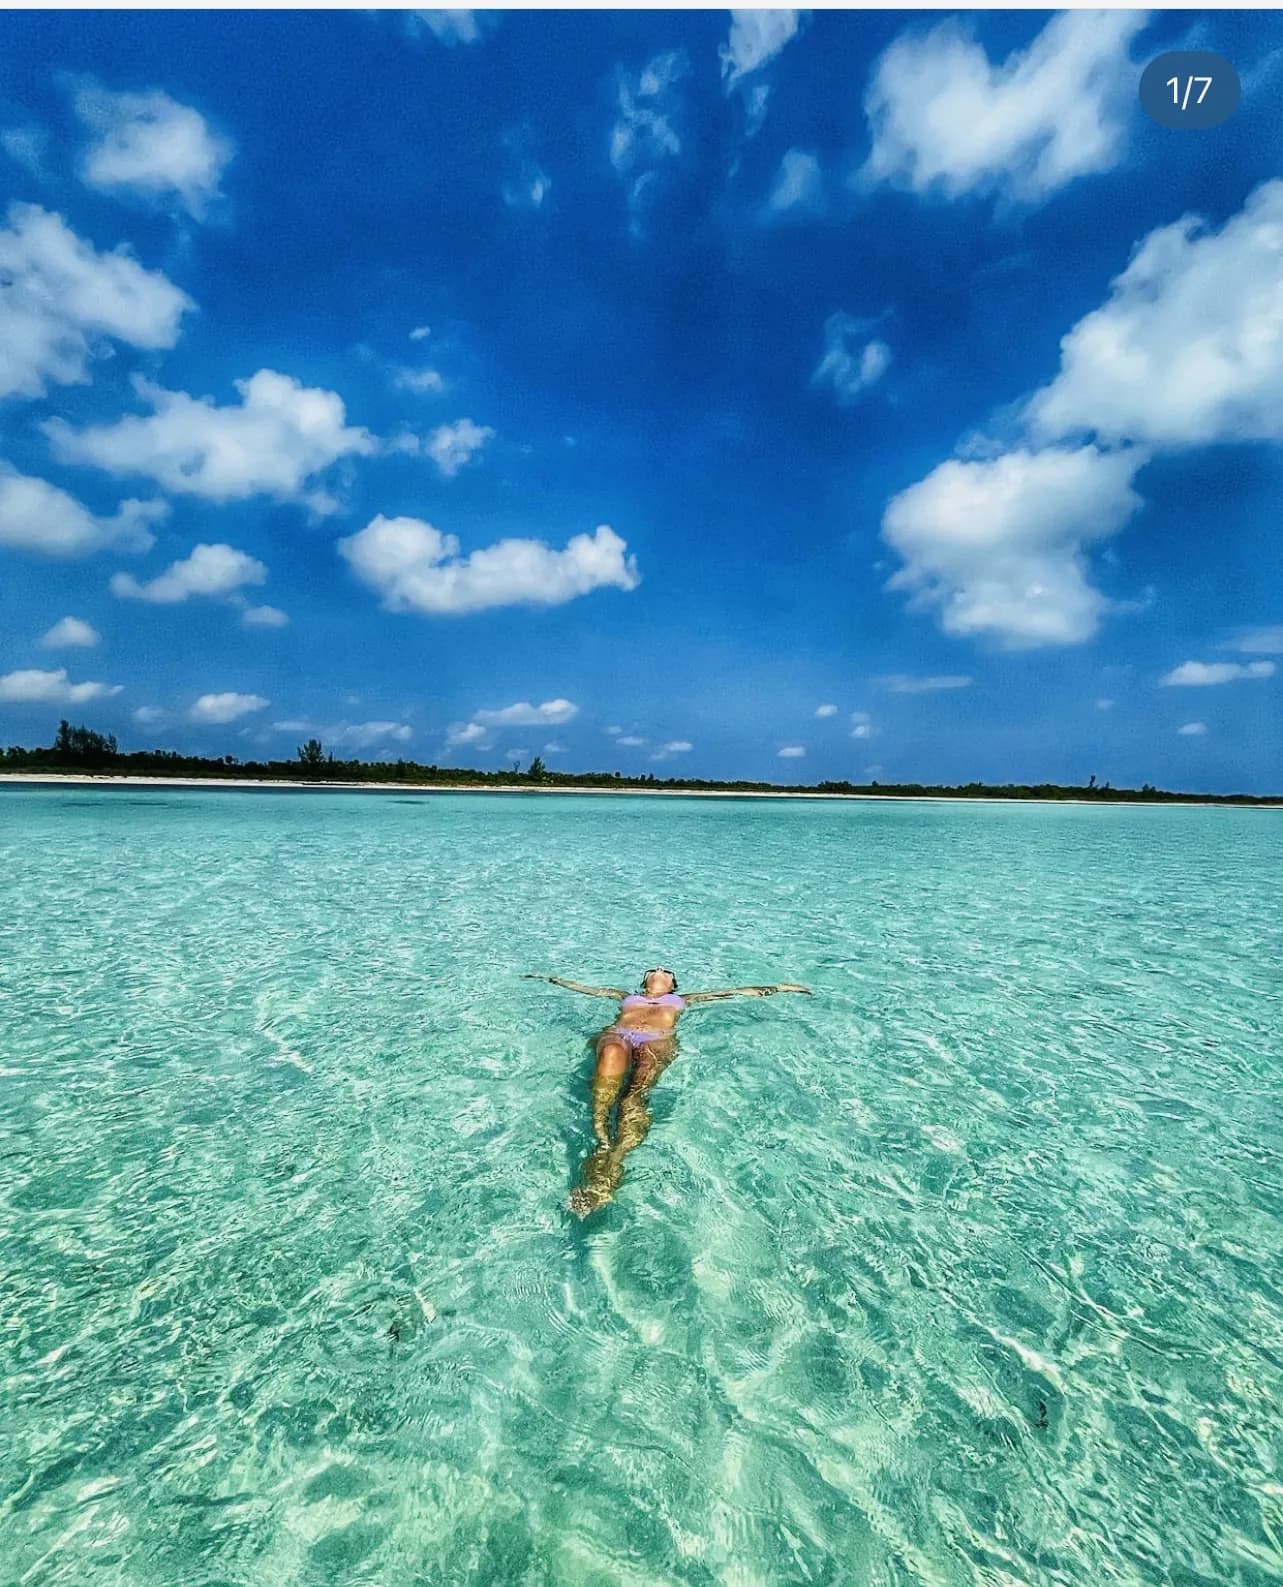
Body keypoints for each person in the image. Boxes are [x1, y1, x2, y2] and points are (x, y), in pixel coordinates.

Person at [523, 966, 811, 1215]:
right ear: (646, 981)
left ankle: (609, 1170)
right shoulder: (624, 995)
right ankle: (601, 1141)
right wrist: (550, 979)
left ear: (672, 985)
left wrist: (781, 987)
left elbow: (734, 992)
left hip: (657, 1041)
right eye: (654, 969)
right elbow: (584, 988)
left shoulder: (683, 999)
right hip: (619, 1035)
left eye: (667, 971)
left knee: (633, 1100)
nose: (660, 969)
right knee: (609, 1059)